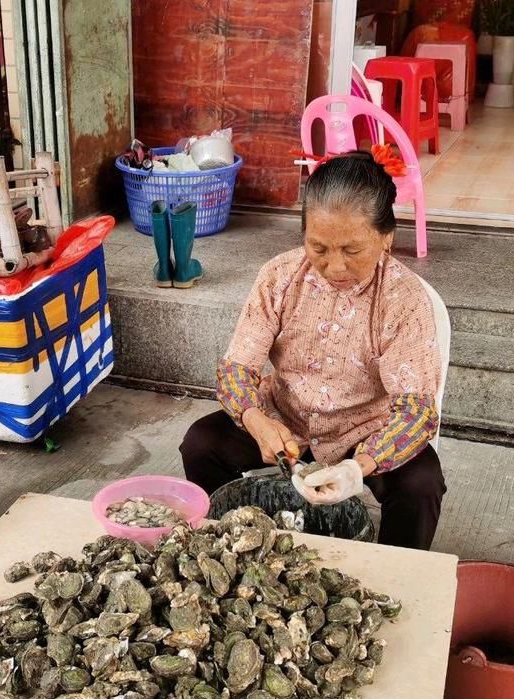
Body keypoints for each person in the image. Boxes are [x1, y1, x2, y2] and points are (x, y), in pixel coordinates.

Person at [180, 149, 445, 550]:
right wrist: (255, 420)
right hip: (286, 421)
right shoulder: (279, 277)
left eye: (352, 250)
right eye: (318, 248)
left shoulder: (404, 300)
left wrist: (359, 469)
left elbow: (417, 412)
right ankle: (237, 544)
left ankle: (395, 575)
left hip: (365, 431)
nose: (334, 267)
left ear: (386, 237)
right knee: (201, 444)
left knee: (421, 484)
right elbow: (236, 370)